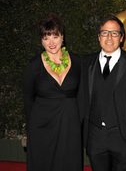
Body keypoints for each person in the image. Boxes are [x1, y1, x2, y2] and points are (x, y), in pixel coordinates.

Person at [82, 15, 126, 171]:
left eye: (114, 33)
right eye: (105, 32)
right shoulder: (85, 63)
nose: (109, 37)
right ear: (98, 37)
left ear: (121, 38)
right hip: (95, 138)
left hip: (124, 137)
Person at [23, 13, 82, 171]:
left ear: (62, 37)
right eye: (46, 37)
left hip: (70, 123)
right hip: (42, 125)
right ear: (41, 40)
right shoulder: (33, 65)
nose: (51, 42)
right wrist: (30, 131)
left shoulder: (77, 62)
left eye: (55, 36)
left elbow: (84, 95)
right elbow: (28, 100)